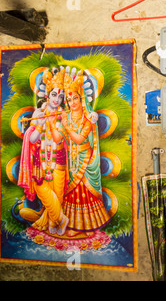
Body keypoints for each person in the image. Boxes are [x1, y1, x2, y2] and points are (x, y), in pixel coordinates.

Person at [49, 70, 111, 237]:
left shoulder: (88, 118)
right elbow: (57, 139)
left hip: (86, 159)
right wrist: (51, 123)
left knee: (85, 191)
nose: (72, 102)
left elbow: (78, 139)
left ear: (81, 98)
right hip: (72, 161)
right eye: (69, 100)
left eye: (75, 98)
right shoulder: (66, 118)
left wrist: (66, 125)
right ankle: (75, 226)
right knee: (73, 193)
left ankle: (89, 226)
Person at [18, 68, 69, 236]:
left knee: (58, 196)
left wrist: (54, 122)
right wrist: (41, 123)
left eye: (60, 96)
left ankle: (53, 221)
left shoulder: (63, 115)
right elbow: (32, 140)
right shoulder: (38, 113)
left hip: (58, 161)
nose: (57, 99)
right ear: (47, 96)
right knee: (43, 191)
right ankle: (61, 219)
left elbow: (58, 139)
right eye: (54, 95)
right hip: (40, 163)